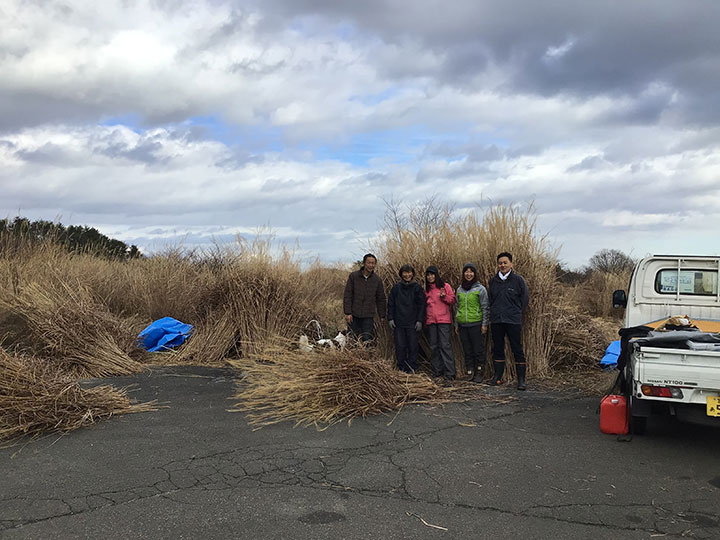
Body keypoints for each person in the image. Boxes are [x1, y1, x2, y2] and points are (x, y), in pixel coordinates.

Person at [488, 252, 530, 390]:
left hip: (513, 320)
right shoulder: (493, 281)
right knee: (498, 348)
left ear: (511, 264)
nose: (503, 265)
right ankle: (497, 377)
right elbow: (490, 300)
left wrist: (516, 312)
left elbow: (524, 300)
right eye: (500, 263)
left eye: (505, 262)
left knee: (517, 348)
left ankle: (521, 380)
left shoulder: (518, 280)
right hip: (497, 320)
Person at [387, 264, 426, 372]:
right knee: (400, 346)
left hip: (413, 322)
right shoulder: (396, 288)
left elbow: (421, 305)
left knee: (413, 346)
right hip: (399, 322)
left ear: (412, 273)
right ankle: (401, 367)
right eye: (405, 272)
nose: (407, 275)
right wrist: (390, 318)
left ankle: (412, 367)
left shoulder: (417, 288)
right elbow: (391, 304)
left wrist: (420, 320)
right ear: (401, 274)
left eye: (409, 272)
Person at [454, 263, 489, 383]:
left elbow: (485, 307)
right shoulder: (459, 289)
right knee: (467, 349)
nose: (469, 274)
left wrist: (484, 324)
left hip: (476, 323)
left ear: (474, 274)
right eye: (466, 272)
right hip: (463, 324)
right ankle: (469, 372)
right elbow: (457, 307)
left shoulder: (480, 289)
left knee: (477, 349)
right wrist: (456, 324)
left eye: (471, 272)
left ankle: (479, 372)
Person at [343, 253, 387, 343]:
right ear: (364, 263)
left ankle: (365, 357)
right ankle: (351, 356)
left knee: (367, 339)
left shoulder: (377, 280)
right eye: (369, 263)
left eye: (373, 263)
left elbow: (381, 298)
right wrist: (348, 312)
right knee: (352, 339)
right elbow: (348, 295)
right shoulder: (354, 276)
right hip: (354, 314)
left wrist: (382, 315)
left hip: (368, 315)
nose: (371, 265)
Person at [424, 265, 456, 381]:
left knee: (445, 346)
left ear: (436, 275)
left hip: (443, 321)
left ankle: (450, 373)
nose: (430, 277)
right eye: (428, 275)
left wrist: (444, 297)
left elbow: (452, 300)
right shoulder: (426, 290)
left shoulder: (445, 286)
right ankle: (438, 371)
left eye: (432, 274)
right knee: (434, 347)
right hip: (431, 321)